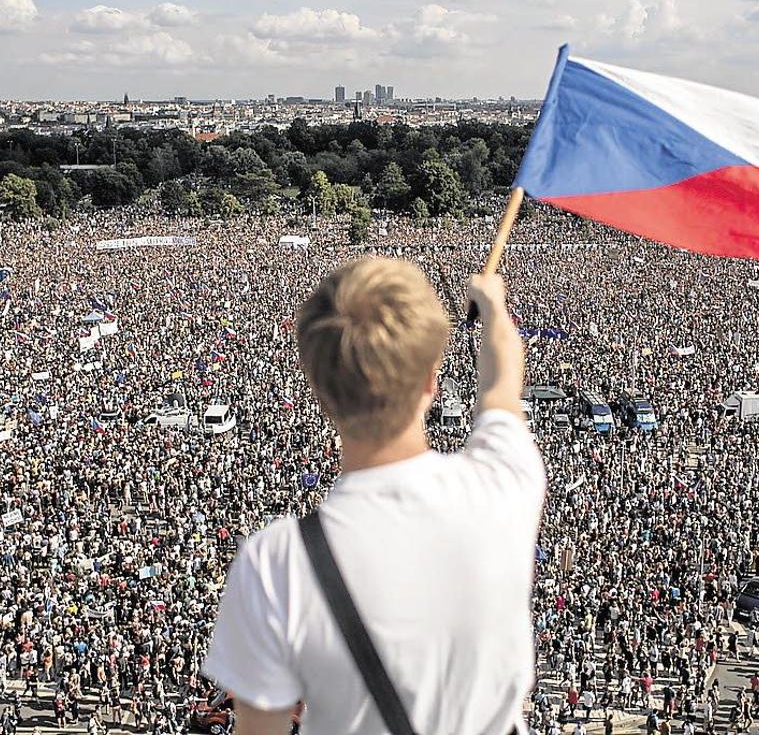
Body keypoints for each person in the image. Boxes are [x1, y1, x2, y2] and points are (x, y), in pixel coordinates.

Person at [202, 259, 544, 734]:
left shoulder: (276, 562)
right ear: (431, 380)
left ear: (318, 390)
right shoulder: (503, 486)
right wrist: (492, 306)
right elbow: (502, 386)